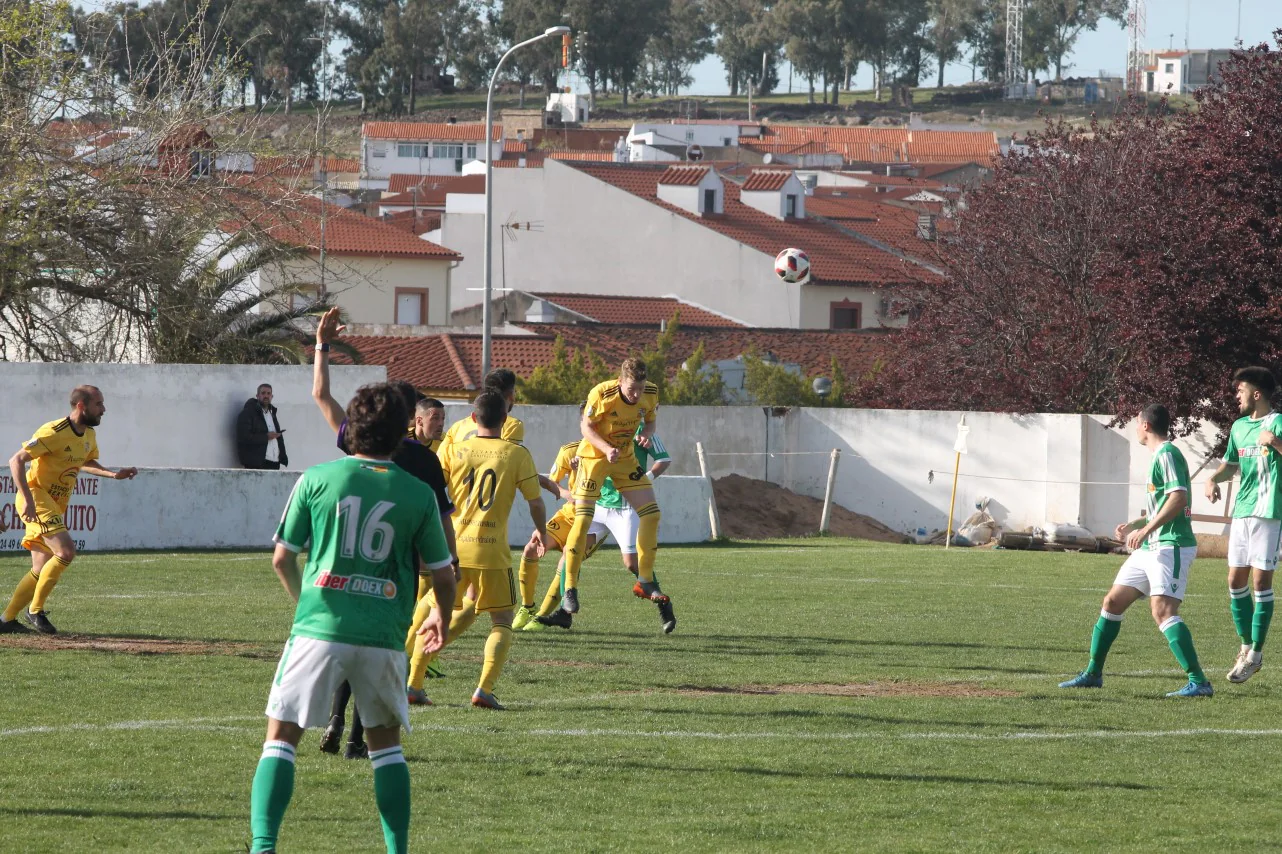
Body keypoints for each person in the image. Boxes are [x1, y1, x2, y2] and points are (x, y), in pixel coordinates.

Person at [249, 383, 456, 854]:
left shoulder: (317, 479)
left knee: (280, 741)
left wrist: (308, 605)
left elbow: (282, 558)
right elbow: (444, 576)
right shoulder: (418, 493)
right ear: (402, 433)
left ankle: (264, 847)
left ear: (351, 430)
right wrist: (441, 617)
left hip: (318, 628)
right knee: (386, 750)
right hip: (384, 636)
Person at [311, 307, 457, 755]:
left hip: (351, 562)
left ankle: (334, 722)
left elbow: (320, 395)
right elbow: (444, 524)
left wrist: (322, 344)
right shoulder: (425, 461)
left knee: (351, 642)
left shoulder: (357, 443)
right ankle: (358, 738)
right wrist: (448, 572)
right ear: (410, 416)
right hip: (398, 573)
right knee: (380, 652)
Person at [1059, 404, 1212, 698]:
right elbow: (1164, 504)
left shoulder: (1167, 453)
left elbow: (1179, 498)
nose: (1134, 427)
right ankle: (1093, 673)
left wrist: (1146, 530)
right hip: (1152, 546)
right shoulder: (1159, 455)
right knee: (1113, 601)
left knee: (1163, 611)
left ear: (1145, 425)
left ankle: (1199, 682)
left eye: (1135, 423)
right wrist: (1137, 523)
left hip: (1171, 546)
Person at [428, 390, 547, 710]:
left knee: (440, 614)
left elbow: (432, 492)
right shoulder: (516, 454)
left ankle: (412, 683)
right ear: (505, 419)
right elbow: (535, 501)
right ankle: (484, 689)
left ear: (473, 419)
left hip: (451, 549)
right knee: (502, 621)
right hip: (492, 553)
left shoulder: (453, 450)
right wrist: (542, 531)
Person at [0, 386, 137, 635]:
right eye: (99, 404)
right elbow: (16, 460)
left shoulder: (89, 436)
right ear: (81, 406)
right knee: (65, 551)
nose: (104, 409)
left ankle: (6, 620)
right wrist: (28, 499)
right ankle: (35, 610)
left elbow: (86, 462)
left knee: (40, 568)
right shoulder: (54, 431)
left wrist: (113, 474)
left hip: (54, 503)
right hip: (37, 499)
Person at [528, 425, 676, 634]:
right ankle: (564, 613)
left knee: (632, 564)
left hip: (624, 507)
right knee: (571, 552)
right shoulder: (593, 434)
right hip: (598, 504)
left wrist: (644, 479)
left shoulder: (640, 429)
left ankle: (663, 603)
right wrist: (578, 467)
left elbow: (664, 459)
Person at [559, 358, 667, 616]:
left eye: (639, 388)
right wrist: (606, 449)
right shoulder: (601, 393)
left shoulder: (650, 392)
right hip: (595, 458)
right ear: (620, 382)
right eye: (631, 389)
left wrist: (648, 433)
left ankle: (644, 580)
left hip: (624, 458)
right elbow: (585, 426)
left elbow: (650, 421)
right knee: (583, 520)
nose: (636, 394)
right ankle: (570, 589)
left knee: (651, 513)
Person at [1204, 366, 1282, 683]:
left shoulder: (1277, 422)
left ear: (1257, 393)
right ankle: (1246, 647)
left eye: (1241, 389)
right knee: (1235, 581)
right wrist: (1212, 478)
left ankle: (1256, 655)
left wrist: (1275, 442)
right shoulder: (1238, 427)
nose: (1237, 395)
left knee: (1261, 584)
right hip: (1242, 512)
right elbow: (1230, 465)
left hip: (1268, 512)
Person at [237, 384, 288, 470]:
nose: (266, 396)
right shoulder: (248, 413)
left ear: (272, 396)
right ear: (257, 396)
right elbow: (243, 437)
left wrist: (282, 457)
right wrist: (266, 437)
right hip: (257, 463)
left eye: (268, 393)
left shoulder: (272, 414)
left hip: (275, 462)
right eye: (263, 393)